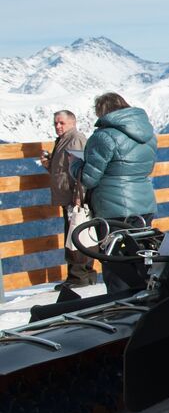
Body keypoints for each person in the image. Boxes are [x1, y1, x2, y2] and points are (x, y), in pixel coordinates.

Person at [79, 93, 157, 294]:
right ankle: (144, 300)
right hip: (144, 203)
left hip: (113, 209)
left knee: (116, 264)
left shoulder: (104, 136)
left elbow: (89, 178)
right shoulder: (147, 134)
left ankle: (119, 307)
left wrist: (75, 165)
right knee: (141, 257)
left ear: (102, 112)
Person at [41, 110, 97, 287]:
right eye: (55, 123)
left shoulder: (75, 139)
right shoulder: (64, 140)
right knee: (77, 233)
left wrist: (79, 196)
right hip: (70, 197)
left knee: (75, 236)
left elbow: (82, 170)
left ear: (72, 122)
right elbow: (64, 171)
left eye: (61, 123)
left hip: (75, 198)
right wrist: (49, 166)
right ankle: (85, 275)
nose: (58, 126)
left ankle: (78, 277)